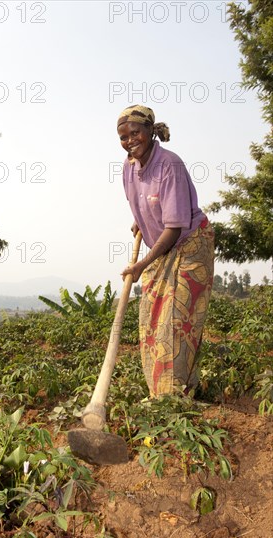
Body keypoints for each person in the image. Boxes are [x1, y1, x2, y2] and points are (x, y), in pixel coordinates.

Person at [117, 105, 214, 398]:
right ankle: (170, 391)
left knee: (175, 321)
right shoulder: (128, 167)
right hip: (163, 245)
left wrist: (140, 266)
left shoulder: (169, 165)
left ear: (150, 131)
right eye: (123, 136)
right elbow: (146, 200)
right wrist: (142, 218)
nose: (129, 140)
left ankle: (173, 398)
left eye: (135, 133)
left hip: (190, 244)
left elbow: (173, 228)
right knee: (150, 318)